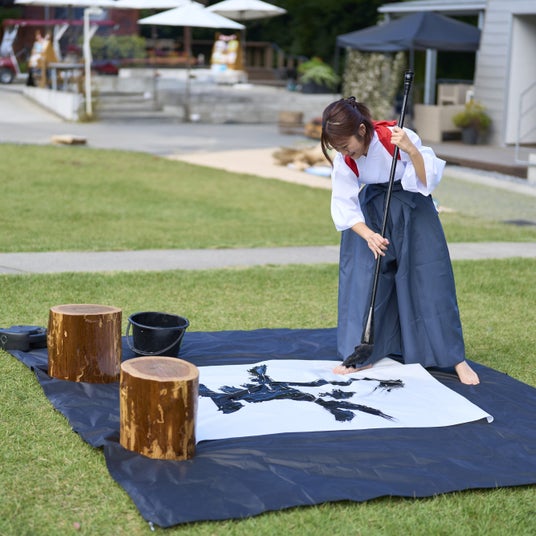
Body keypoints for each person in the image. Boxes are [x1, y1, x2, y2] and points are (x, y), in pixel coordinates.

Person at [321, 96, 479, 385]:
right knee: (364, 280)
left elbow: (426, 181)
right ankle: (363, 353)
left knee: (429, 278)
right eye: (338, 148)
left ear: (361, 130)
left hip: (412, 208)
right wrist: (368, 235)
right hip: (371, 213)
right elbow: (343, 203)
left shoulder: (398, 137)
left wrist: (411, 151)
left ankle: (454, 358)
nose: (344, 153)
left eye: (345, 145)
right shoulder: (345, 159)